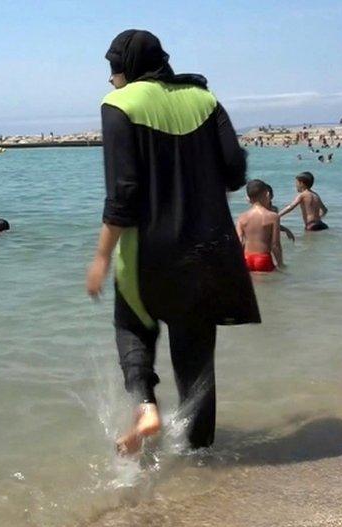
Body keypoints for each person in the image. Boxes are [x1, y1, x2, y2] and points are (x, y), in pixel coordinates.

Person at [86, 29, 260, 455]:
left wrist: (101, 256)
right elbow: (236, 172)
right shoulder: (205, 99)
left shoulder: (119, 105)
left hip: (147, 252)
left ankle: (146, 405)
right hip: (208, 251)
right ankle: (201, 460)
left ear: (123, 69)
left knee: (132, 325)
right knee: (197, 362)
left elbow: (123, 193)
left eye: (113, 72)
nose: (112, 81)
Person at [236, 180, 283, 272]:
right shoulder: (273, 217)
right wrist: (280, 263)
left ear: (247, 198)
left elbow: (240, 241)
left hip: (246, 259)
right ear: (267, 194)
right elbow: (275, 245)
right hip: (263, 259)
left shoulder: (241, 217)